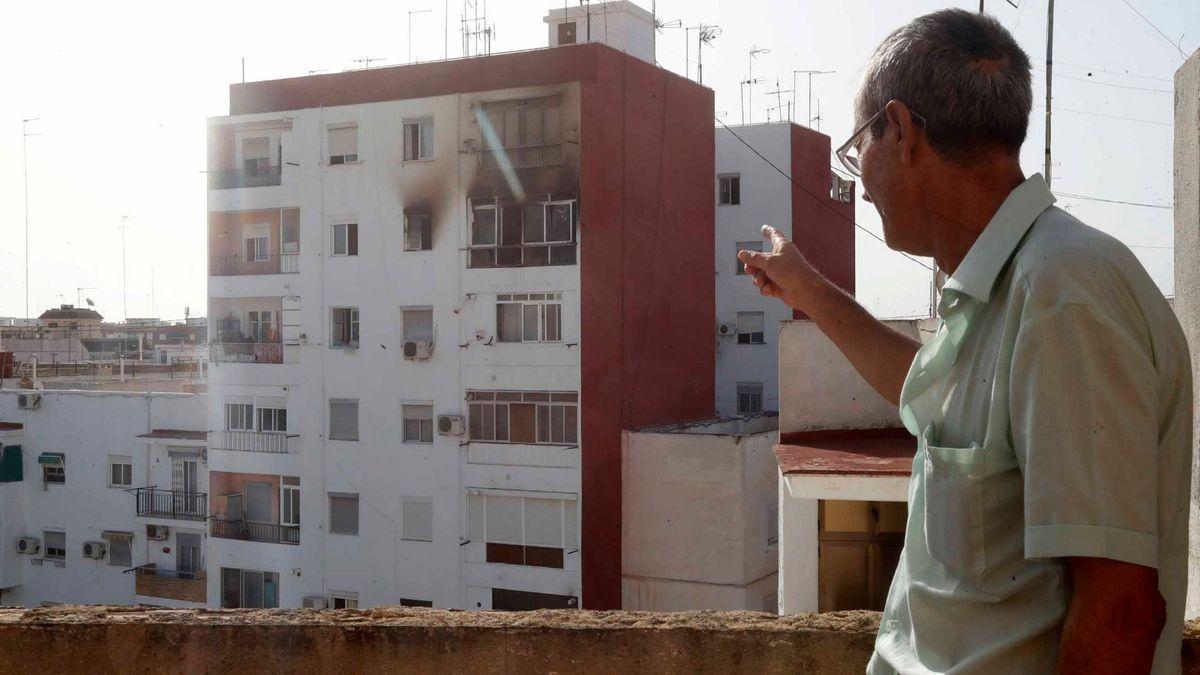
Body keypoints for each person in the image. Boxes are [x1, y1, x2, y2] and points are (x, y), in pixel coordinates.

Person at [739, 9, 1191, 674]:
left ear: (899, 130)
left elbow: (1119, 609)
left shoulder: (1062, 295)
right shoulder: (1003, 288)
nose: (859, 180)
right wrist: (806, 289)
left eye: (859, 143)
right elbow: (931, 393)